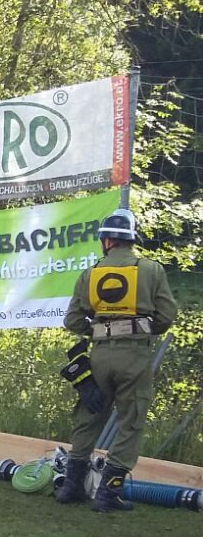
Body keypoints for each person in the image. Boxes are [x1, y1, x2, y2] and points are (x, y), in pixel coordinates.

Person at [55, 208, 177, 513]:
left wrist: (98, 331)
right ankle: (107, 495)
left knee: (89, 415)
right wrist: (142, 329)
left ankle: (71, 487)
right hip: (134, 356)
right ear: (131, 240)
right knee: (130, 422)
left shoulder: (90, 273)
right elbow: (166, 316)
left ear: (106, 241)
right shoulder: (151, 270)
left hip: (99, 355)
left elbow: (72, 320)